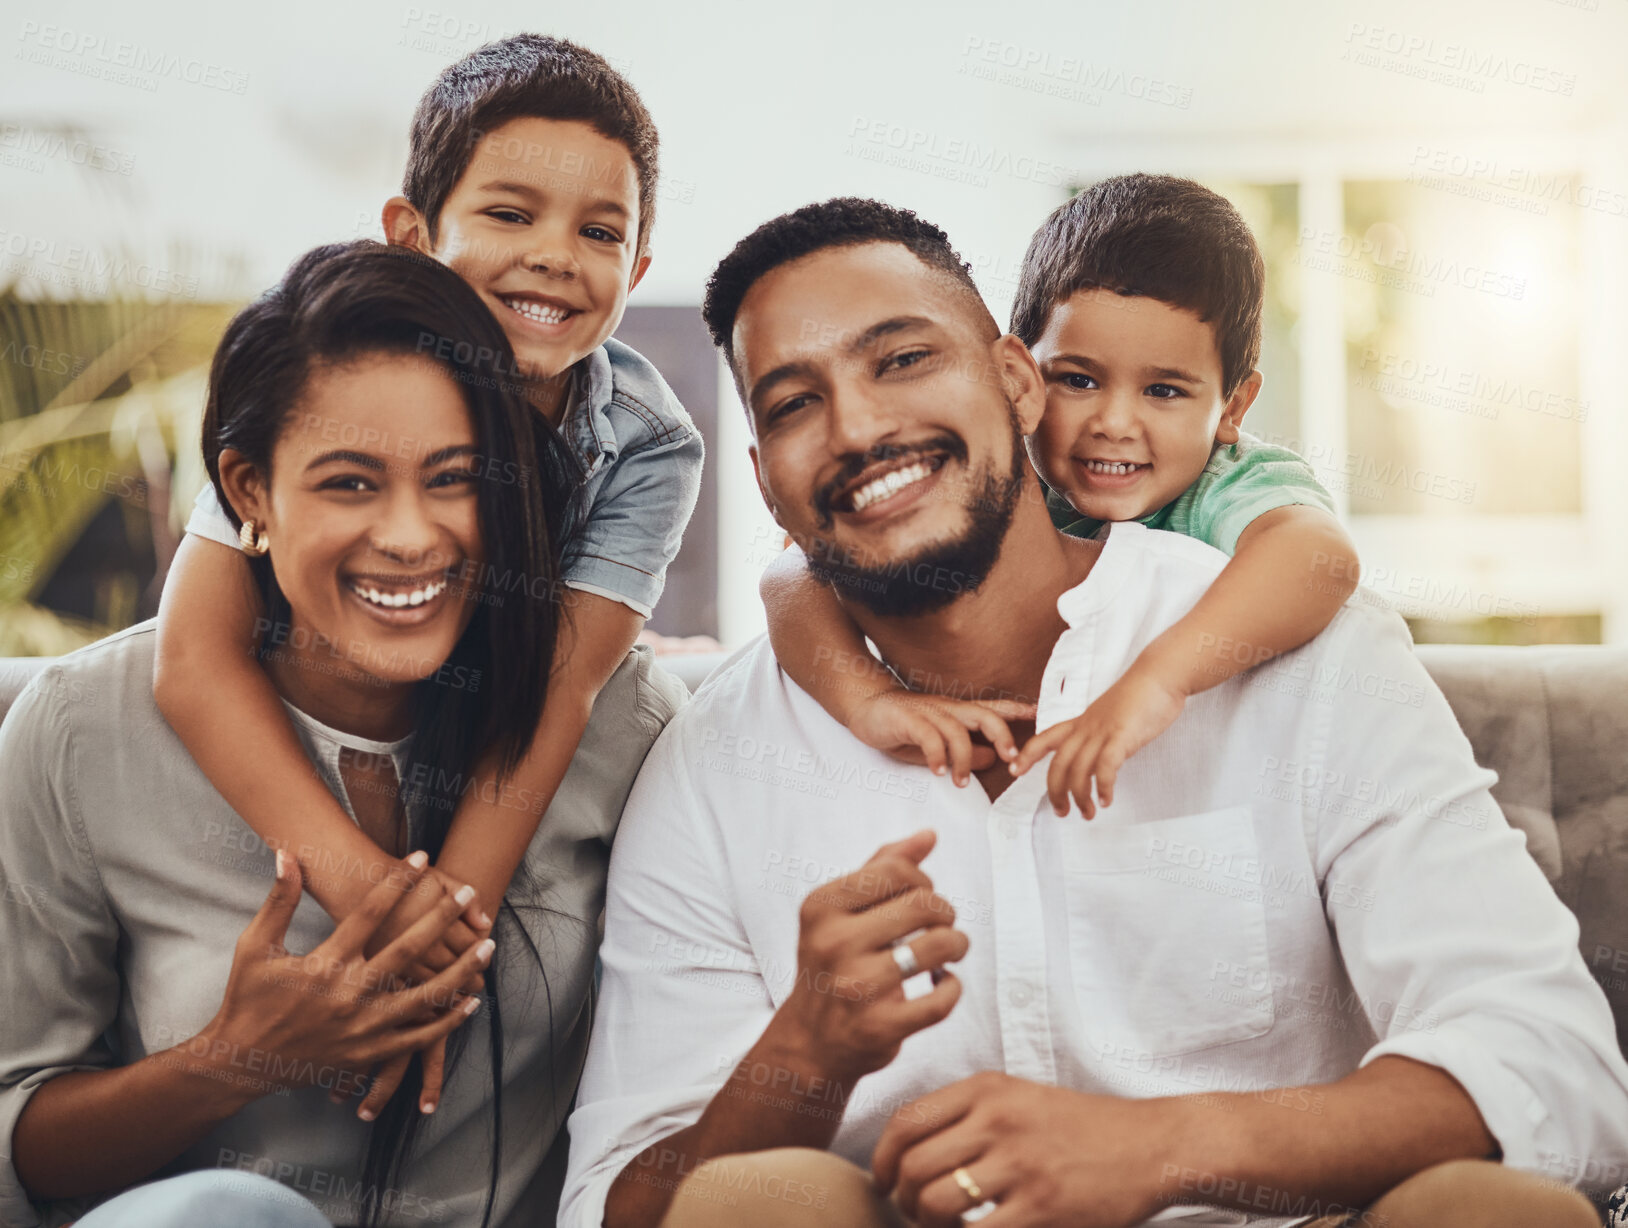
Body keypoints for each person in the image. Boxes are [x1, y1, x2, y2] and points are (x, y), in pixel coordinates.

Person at [558, 199, 1628, 1228]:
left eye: (900, 359)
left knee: (1491, 1212)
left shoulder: (1295, 652)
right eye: (793, 402)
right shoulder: (714, 760)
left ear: (1016, 381)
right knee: (748, 1208)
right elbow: (620, 1206)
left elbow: (1553, 1067)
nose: (859, 427)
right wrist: (805, 1050)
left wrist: (1158, 1146)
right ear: (764, 479)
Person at [0, 241, 685, 1227]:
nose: (409, 535)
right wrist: (226, 1060)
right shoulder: (81, 731)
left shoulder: (627, 727)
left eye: (452, 478)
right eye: (350, 483)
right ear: (249, 497)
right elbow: (20, 1138)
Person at [152, 34, 703, 1120]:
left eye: (599, 232)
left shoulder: (646, 444)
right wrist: (379, 905)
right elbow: (191, 656)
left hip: (495, 726)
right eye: (508, 214)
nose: (554, 255)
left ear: (635, 272)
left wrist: (449, 937)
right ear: (411, 233)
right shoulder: (310, 356)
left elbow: (559, 685)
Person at [762, 175, 1361, 820]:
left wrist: (1161, 678)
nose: (1114, 422)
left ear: (1232, 407)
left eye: (1163, 392)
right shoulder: (1003, 488)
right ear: (1019, 380)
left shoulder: (1230, 479)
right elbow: (793, 573)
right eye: (1078, 380)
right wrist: (867, 698)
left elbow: (1320, 557)